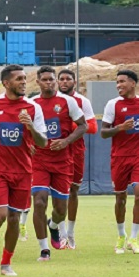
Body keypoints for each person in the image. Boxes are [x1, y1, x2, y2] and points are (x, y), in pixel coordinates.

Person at [0, 64, 47, 276]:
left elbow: (42, 142)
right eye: (19, 79)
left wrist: (31, 126)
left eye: (25, 78)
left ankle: (6, 264)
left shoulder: (33, 108)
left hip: (23, 171)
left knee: (14, 218)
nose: (24, 82)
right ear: (6, 83)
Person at [30, 66, 87, 261]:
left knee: (61, 210)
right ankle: (44, 249)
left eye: (51, 80)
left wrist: (66, 141)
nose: (49, 83)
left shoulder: (67, 102)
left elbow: (83, 125)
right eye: (44, 80)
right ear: (37, 82)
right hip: (39, 160)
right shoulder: (32, 104)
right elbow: (24, 129)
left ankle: (53, 225)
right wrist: (28, 145)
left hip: (63, 161)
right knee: (39, 201)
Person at [100, 69, 139, 255]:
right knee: (120, 199)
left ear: (133, 83)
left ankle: (134, 238)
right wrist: (120, 128)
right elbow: (103, 132)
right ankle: (121, 235)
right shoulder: (112, 105)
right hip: (119, 157)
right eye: (117, 82)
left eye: (122, 81)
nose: (118, 85)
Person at [57, 68, 97, 249]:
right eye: (61, 79)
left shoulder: (82, 101)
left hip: (76, 151)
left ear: (74, 82)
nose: (64, 82)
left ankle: (71, 233)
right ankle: (60, 232)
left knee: (73, 191)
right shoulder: (51, 100)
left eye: (68, 79)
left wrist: (69, 124)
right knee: (58, 193)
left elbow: (93, 127)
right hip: (55, 151)